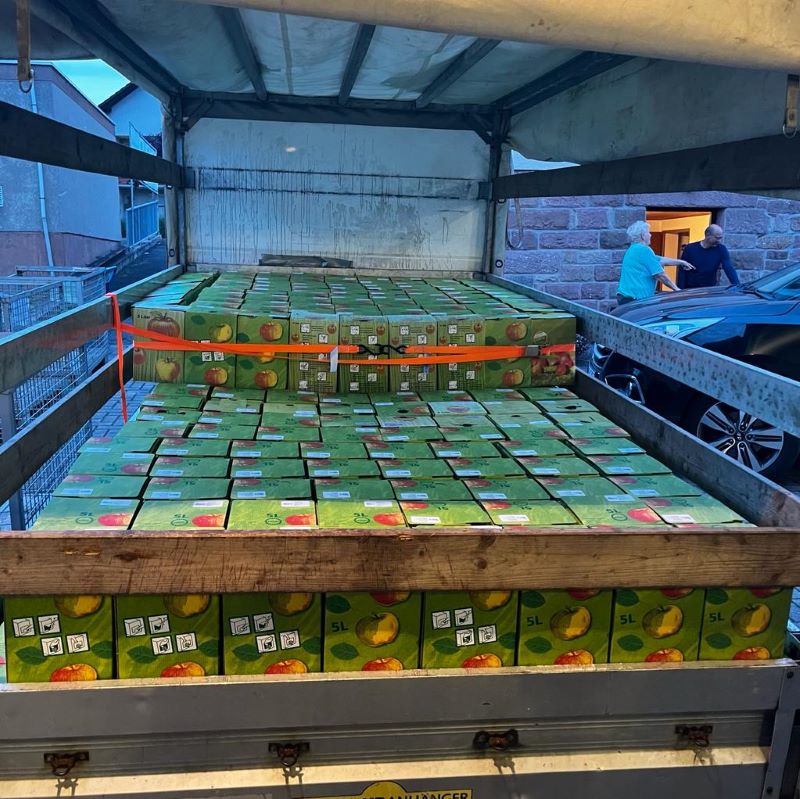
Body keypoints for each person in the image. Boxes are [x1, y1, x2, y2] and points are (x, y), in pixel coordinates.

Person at [616, 221, 695, 305]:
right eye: (648, 232)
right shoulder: (644, 250)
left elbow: (661, 260)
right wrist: (677, 290)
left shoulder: (634, 249)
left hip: (626, 297)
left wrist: (681, 262)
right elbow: (660, 275)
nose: (650, 235)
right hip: (635, 299)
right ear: (643, 235)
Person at [677, 224, 740, 289]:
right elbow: (682, 271)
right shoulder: (690, 248)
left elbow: (728, 267)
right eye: (717, 238)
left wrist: (738, 286)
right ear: (708, 235)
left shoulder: (721, 249)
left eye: (720, 238)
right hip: (690, 288)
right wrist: (680, 290)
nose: (719, 241)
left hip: (709, 288)